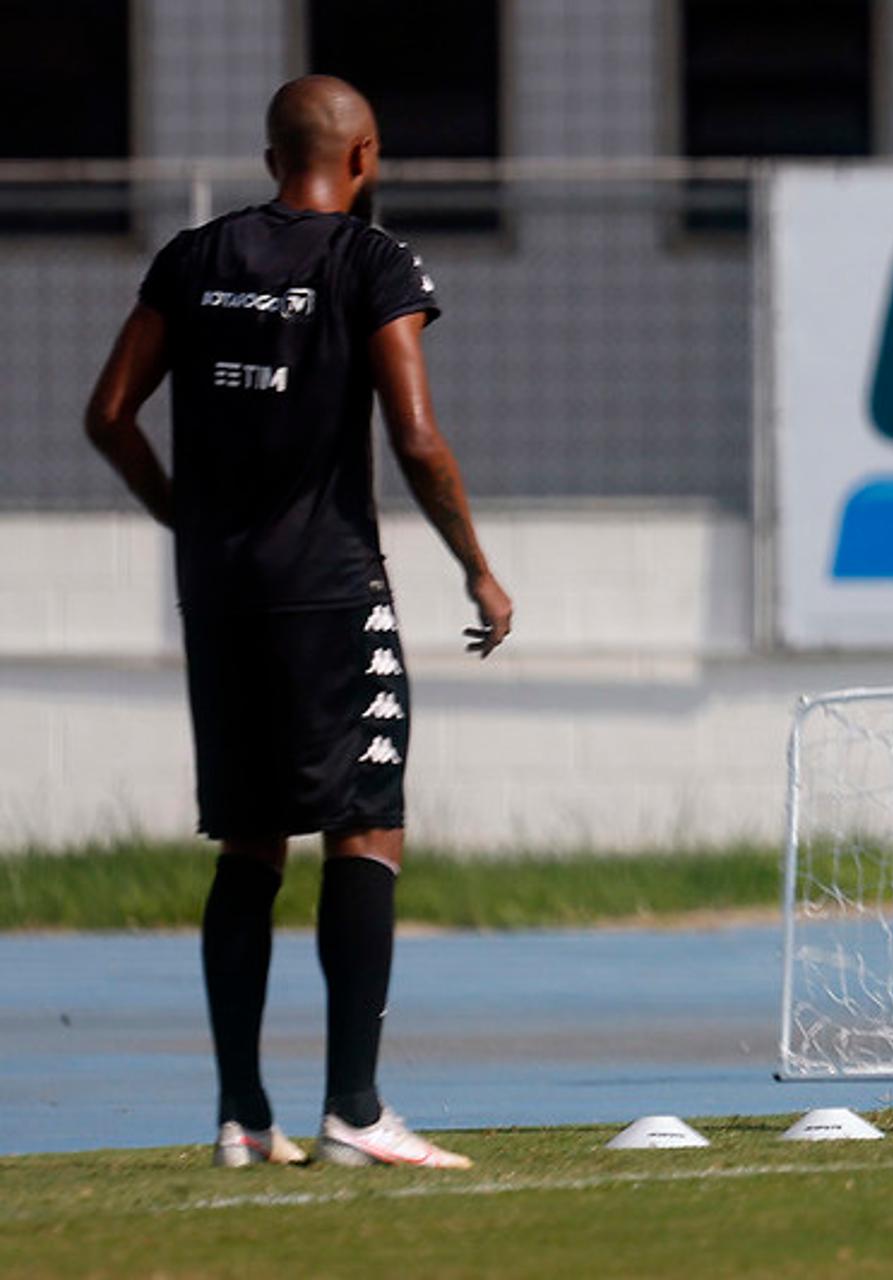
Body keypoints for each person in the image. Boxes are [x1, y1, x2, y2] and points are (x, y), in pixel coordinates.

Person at [84, 75, 512, 1167]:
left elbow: (108, 413)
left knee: (250, 839)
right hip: (330, 586)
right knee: (364, 823)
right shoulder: (371, 262)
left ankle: (240, 1114)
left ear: (273, 155)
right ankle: (357, 1109)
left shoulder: (195, 258)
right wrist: (478, 569)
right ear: (362, 155)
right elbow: (416, 436)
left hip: (219, 592)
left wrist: (184, 514)